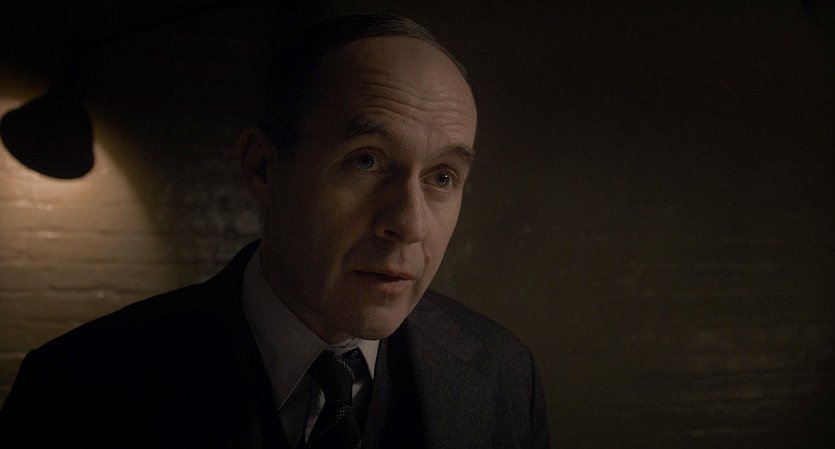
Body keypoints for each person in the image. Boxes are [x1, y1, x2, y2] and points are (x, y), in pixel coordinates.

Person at [0, 14, 549, 449]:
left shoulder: (504, 374)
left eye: (442, 177)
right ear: (262, 167)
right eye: (366, 160)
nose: (409, 224)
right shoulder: (75, 388)